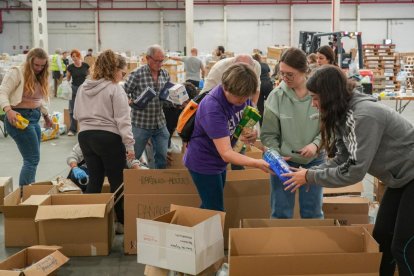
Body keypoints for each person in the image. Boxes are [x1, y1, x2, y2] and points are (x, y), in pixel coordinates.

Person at [283, 65, 414, 276]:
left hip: (411, 176)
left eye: (316, 98)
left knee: (404, 246)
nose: (314, 104)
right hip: (401, 179)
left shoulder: (363, 116)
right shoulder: (342, 114)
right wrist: (308, 174)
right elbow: (342, 159)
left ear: (329, 95)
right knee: (381, 238)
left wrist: (310, 176)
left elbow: (354, 171)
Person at [184, 63, 272, 211]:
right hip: (204, 162)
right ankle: (194, 231)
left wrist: (251, 134)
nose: (243, 102)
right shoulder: (212, 108)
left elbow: (246, 118)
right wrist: (257, 163)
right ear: (225, 87)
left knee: (209, 204)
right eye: (239, 99)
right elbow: (226, 153)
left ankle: (194, 231)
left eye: (246, 98)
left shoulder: (241, 95)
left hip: (218, 161)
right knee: (215, 209)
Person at [74, 49, 135, 230]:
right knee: (118, 182)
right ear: (113, 69)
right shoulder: (115, 89)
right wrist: (130, 147)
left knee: (95, 180)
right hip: (108, 137)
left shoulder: (83, 87)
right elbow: (123, 121)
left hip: (85, 136)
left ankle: (87, 223)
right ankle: (122, 224)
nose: (122, 76)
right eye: (122, 73)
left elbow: (76, 114)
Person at [260, 47, 324, 219]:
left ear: (304, 71)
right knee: (280, 212)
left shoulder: (318, 94)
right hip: (284, 164)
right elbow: (268, 135)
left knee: (313, 212)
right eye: (282, 73)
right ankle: (281, 246)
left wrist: (316, 144)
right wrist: (275, 156)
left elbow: (329, 128)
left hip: (314, 161)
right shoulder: (276, 97)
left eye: (290, 74)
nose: (285, 78)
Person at [0, 48, 53, 186]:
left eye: (42, 66)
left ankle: (30, 189)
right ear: (30, 61)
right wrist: (8, 110)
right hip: (18, 117)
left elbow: (38, 100)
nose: (39, 68)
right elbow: (2, 92)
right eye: (36, 65)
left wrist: (46, 116)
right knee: (31, 159)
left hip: (35, 117)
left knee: (34, 159)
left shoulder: (40, 76)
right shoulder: (16, 72)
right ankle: (24, 195)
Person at [124, 44, 170, 169]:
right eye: (157, 61)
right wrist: (130, 101)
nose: (160, 64)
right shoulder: (137, 74)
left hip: (159, 123)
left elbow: (167, 94)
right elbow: (122, 92)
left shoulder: (165, 74)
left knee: (162, 156)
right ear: (147, 58)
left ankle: (158, 183)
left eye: (162, 60)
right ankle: (128, 183)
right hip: (140, 124)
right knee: (132, 158)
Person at [67, 143, 147, 192]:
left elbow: (129, 159)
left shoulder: (118, 139)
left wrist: (138, 170)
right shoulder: (86, 138)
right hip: (89, 172)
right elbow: (72, 155)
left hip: (111, 171)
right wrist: (75, 168)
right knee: (75, 177)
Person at [163, 82, 198, 147]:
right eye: (186, 102)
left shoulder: (183, 108)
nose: (186, 106)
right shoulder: (166, 106)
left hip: (167, 140)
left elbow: (185, 136)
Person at [66, 49, 90, 136]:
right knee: (72, 110)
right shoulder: (70, 67)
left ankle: (85, 128)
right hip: (74, 89)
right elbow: (68, 78)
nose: (74, 58)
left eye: (76, 56)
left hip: (84, 90)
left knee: (86, 109)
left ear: (79, 56)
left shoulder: (85, 65)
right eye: (73, 56)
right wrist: (65, 81)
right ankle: (72, 130)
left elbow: (90, 76)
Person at [252, 53, 272, 125]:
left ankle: (261, 123)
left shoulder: (254, 66)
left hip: (260, 85)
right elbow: (269, 75)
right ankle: (271, 120)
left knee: (260, 105)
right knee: (271, 102)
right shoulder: (265, 64)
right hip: (267, 84)